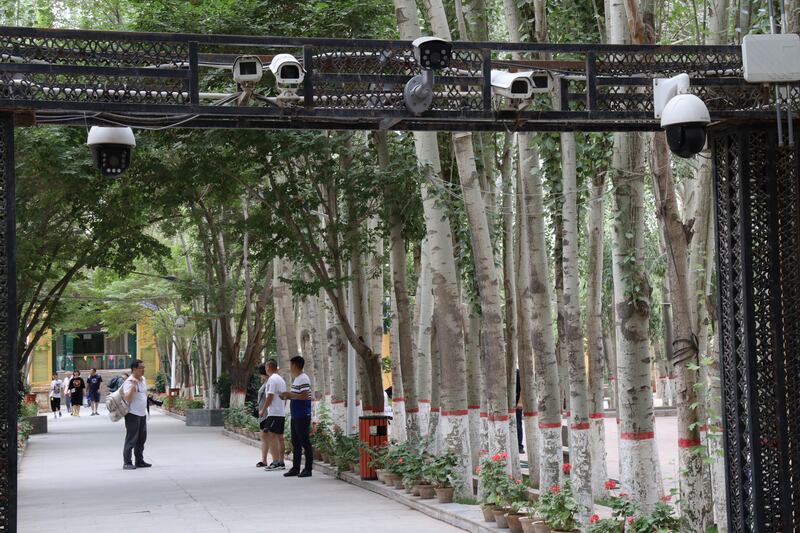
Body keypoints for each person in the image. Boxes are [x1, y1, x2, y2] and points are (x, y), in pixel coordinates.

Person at [280, 356, 313, 478]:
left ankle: (308, 469)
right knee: (296, 442)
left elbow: (304, 396)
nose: (290, 367)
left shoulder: (303, 379)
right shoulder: (297, 379)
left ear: (295, 365)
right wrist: (288, 395)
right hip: (296, 415)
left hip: (302, 415)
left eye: (291, 365)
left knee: (305, 442)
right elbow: (298, 394)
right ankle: (295, 468)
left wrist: (290, 394)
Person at [121, 360, 150, 470]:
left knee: (141, 439)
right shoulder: (129, 382)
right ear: (134, 369)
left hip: (142, 414)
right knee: (131, 439)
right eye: (141, 367)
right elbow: (127, 398)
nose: (143, 369)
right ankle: (127, 462)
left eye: (144, 367)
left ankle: (139, 460)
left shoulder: (143, 379)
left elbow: (142, 394)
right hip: (132, 414)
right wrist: (133, 386)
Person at [262, 359, 286, 471]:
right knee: (280, 437)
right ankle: (281, 461)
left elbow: (270, 396)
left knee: (270, 437)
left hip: (274, 413)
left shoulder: (271, 380)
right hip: (280, 412)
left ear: (268, 368)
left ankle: (275, 462)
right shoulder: (281, 380)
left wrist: (263, 409)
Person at [515, 369, 524, 454]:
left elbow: (522, 388)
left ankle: (519, 446)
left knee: (518, 424)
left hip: (516, 402)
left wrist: (520, 401)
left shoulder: (517, 372)